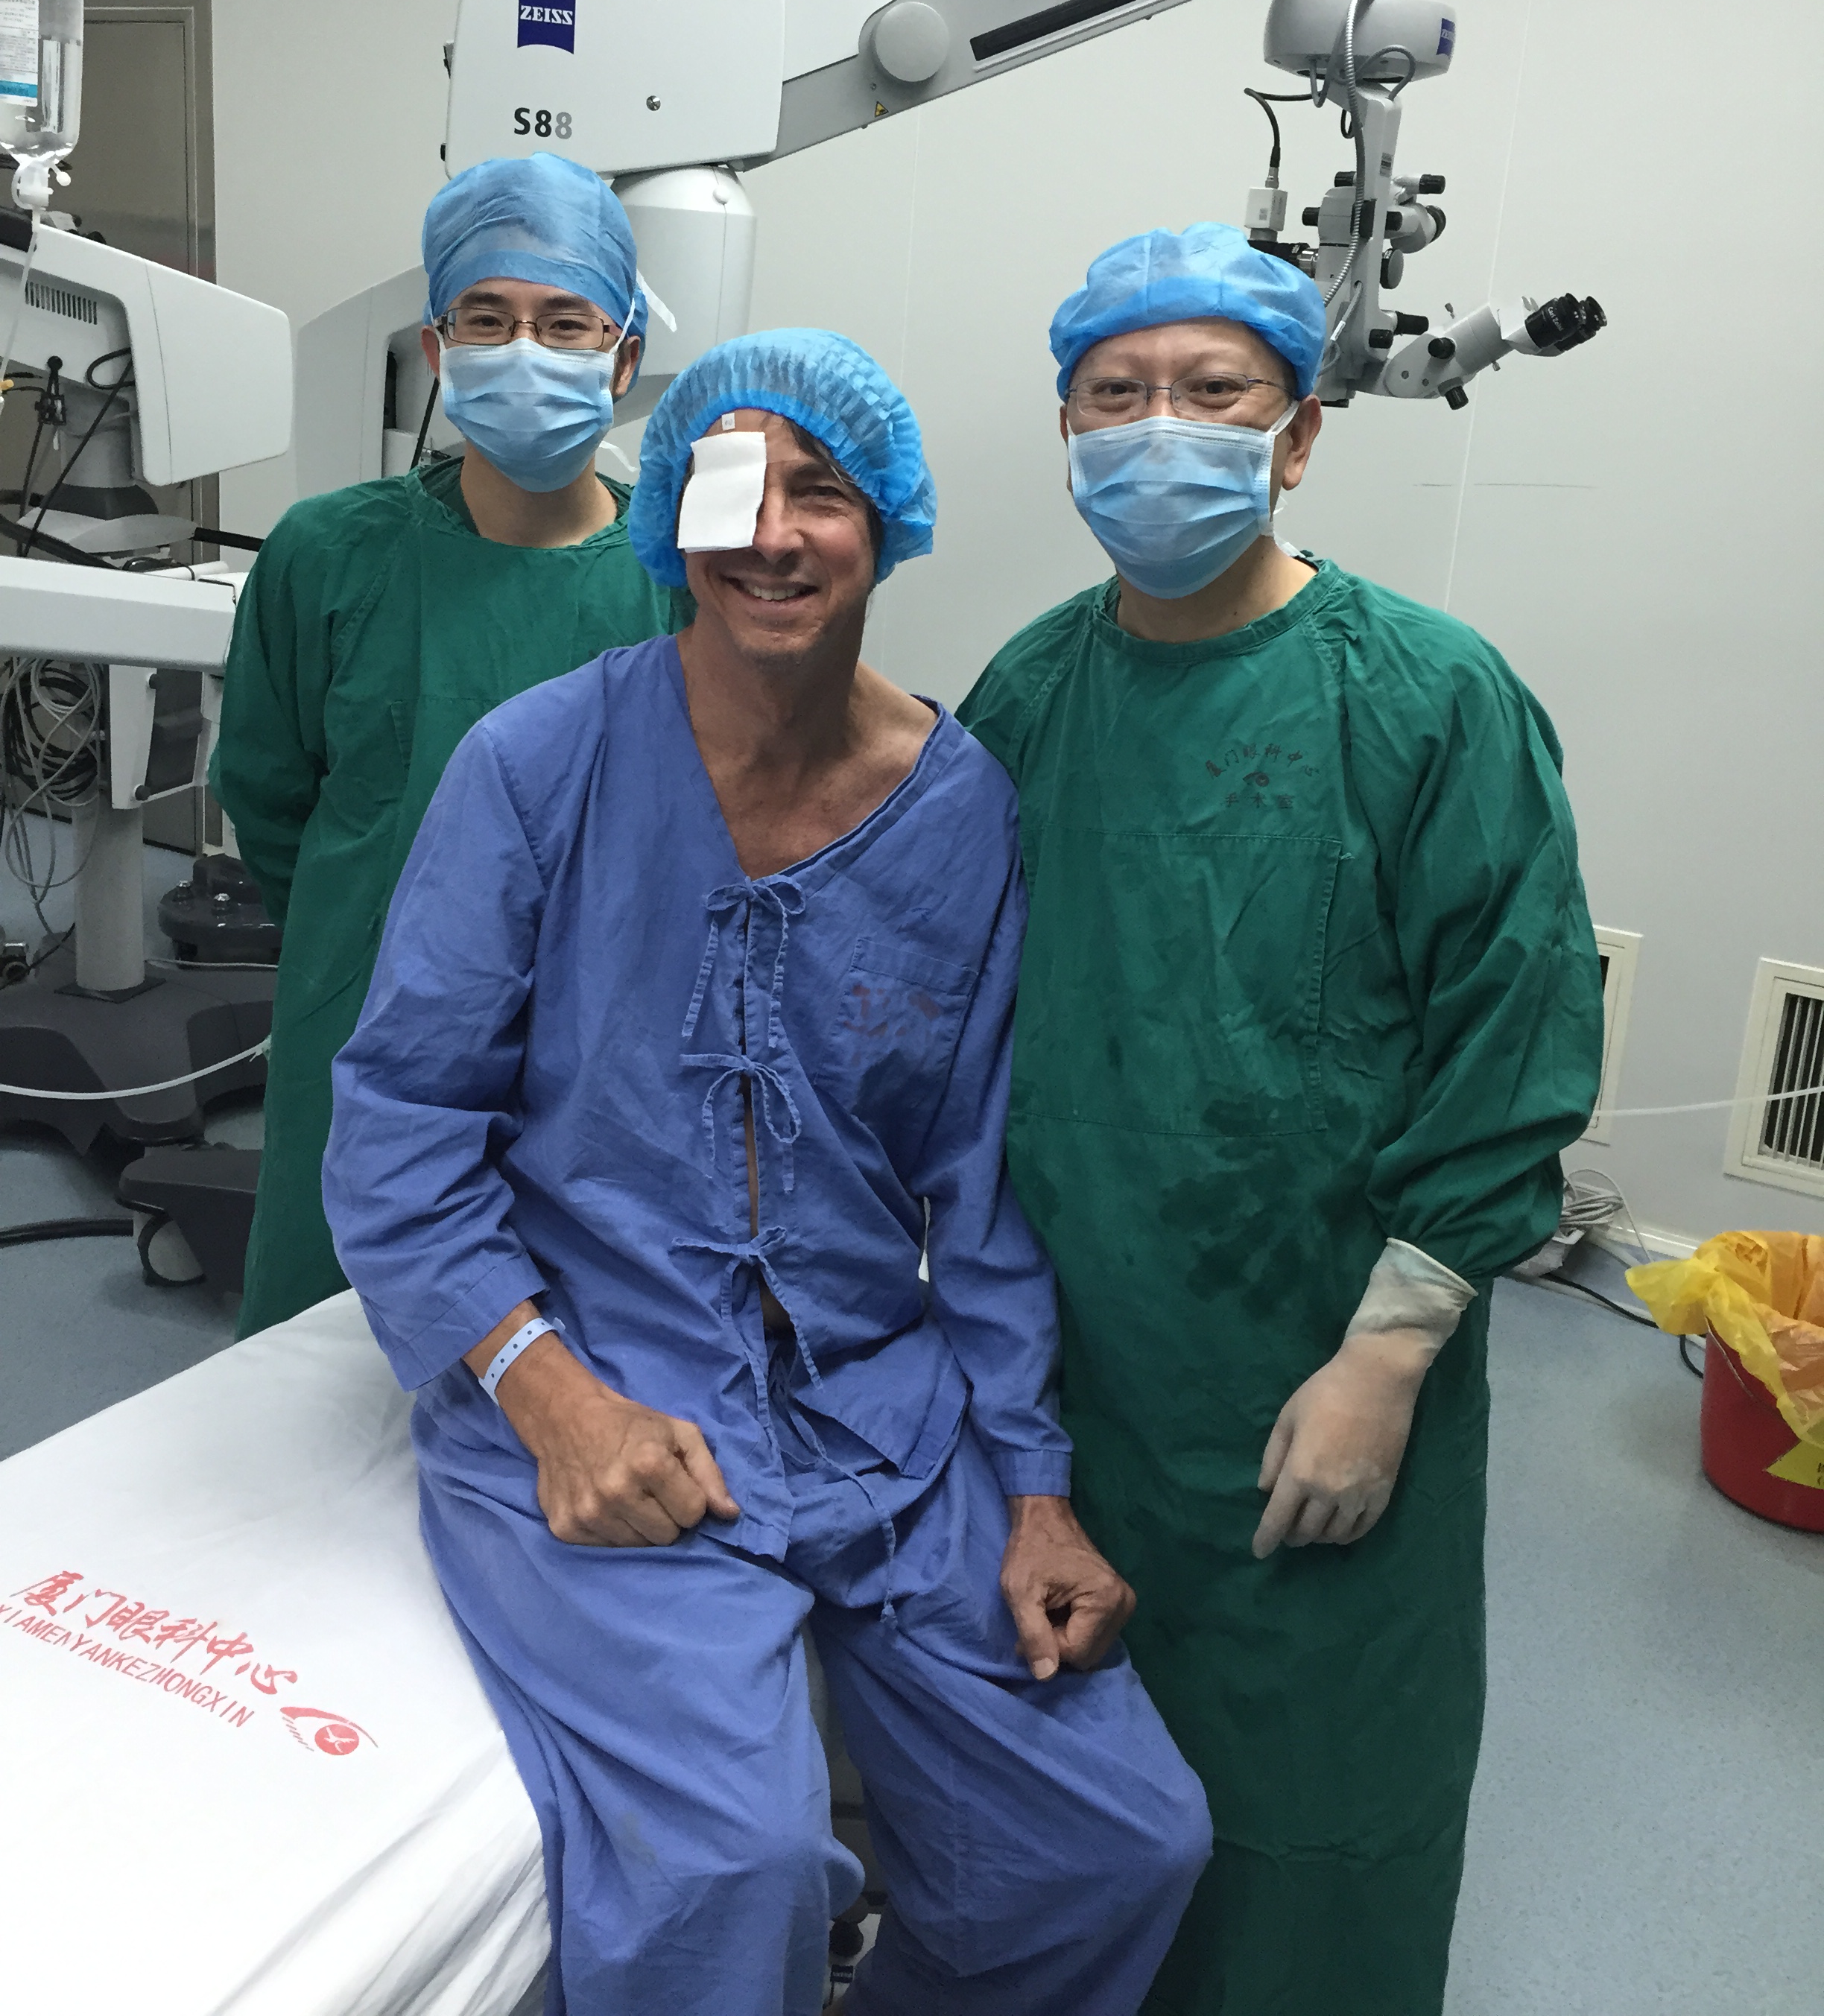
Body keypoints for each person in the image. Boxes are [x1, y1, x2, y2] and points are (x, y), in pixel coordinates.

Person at [320, 330, 1212, 2016]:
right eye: (731, 488)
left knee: (1117, 1843)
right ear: (674, 515)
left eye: (823, 494)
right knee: (735, 1869)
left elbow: (980, 1193)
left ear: (889, 527)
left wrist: (1033, 1489)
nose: (775, 534)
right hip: (600, 1378)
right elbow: (400, 1128)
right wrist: (549, 1399)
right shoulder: (539, 766)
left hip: (876, 1406)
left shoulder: (962, 812)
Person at [956, 224, 1605, 2016]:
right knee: (1080, 1800)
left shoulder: (1428, 697)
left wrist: (1389, 1356)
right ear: (1068, 431)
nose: (1160, 428)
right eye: (1117, 394)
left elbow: (1513, 1034)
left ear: (1300, 435)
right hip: (1076, 1368)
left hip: (1321, 1358)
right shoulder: (1030, 695)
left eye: (1214, 392)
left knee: (1322, 1812)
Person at [212, 152, 677, 1339]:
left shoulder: (678, 580)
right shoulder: (326, 556)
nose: (524, 349)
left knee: (571, 1369)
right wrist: (372, 938)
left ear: (624, 359)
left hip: (598, 1049)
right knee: (320, 1363)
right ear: (436, 348)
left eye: (565, 323)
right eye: (488, 318)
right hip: (363, 1024)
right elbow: (268, 796)